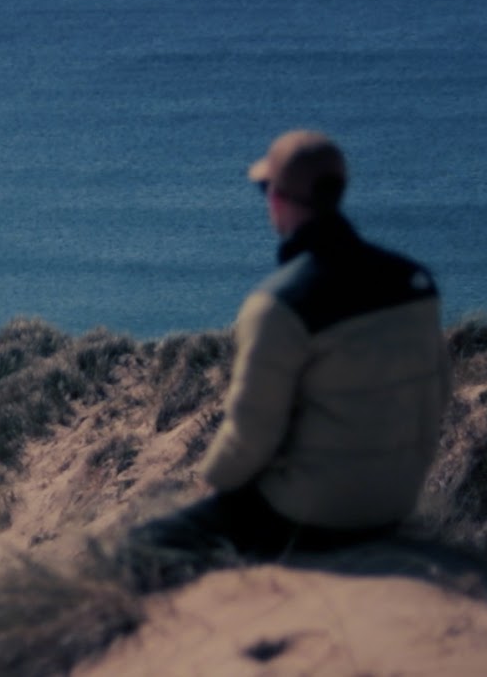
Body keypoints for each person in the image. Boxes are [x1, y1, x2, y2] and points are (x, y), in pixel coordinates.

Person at [130, 129, 452, 565]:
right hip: (394, 504)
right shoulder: (415, 281)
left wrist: (212, 482)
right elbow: (438, 393)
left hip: (311, 515)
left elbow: (250, 435)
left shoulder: (280, 304)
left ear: (277, 198)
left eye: (265, 189)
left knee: (144, 546)